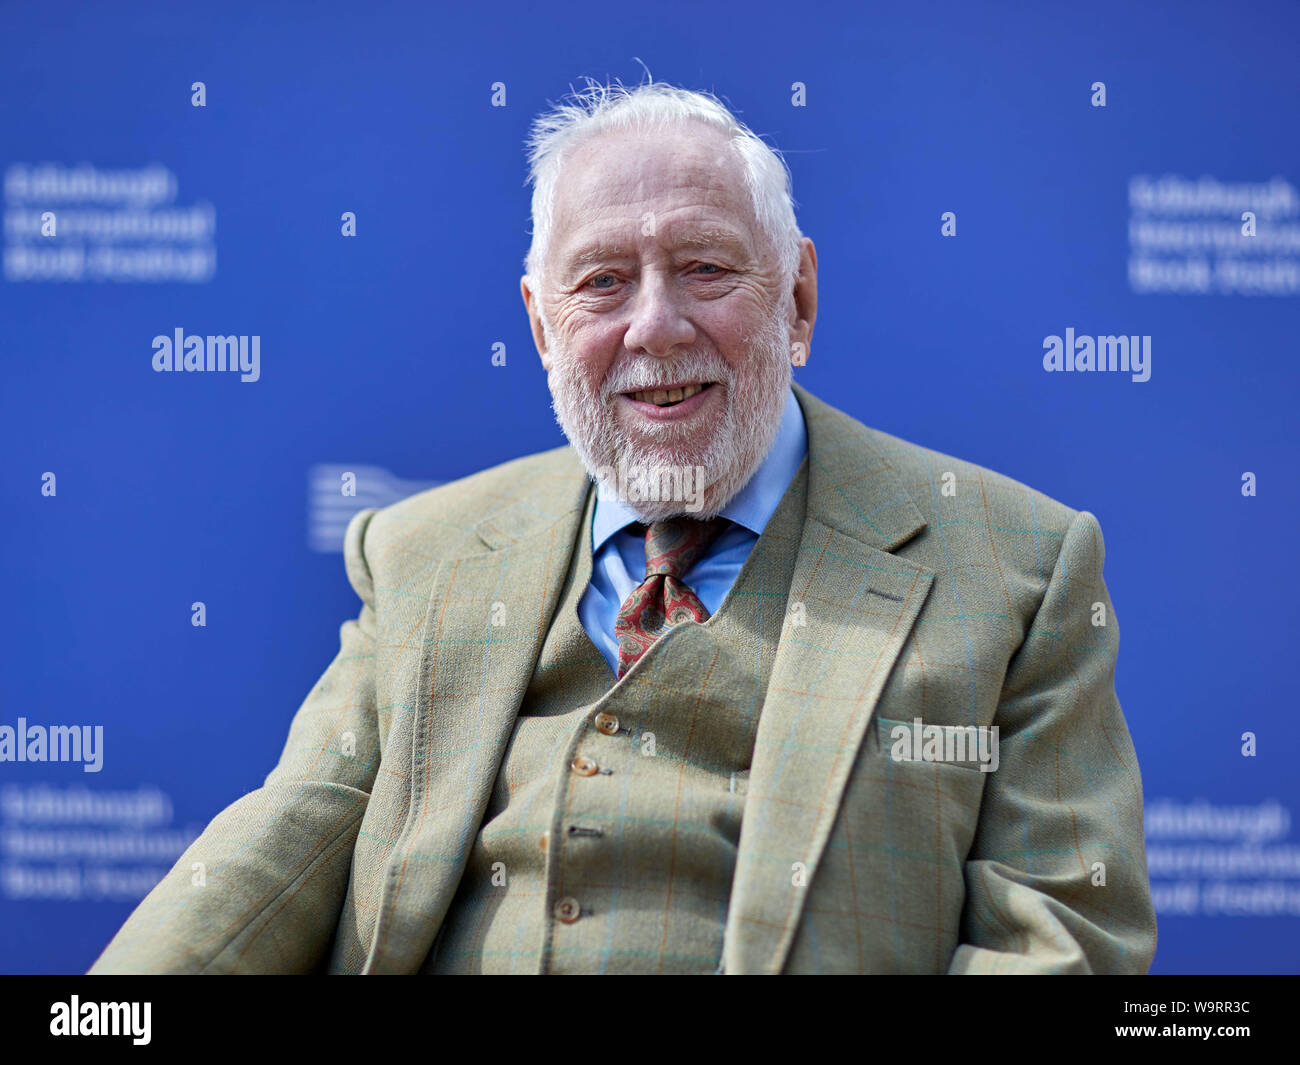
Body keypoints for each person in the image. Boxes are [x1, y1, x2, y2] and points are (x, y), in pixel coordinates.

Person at [89, 79, 1157, 975]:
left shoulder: (1014, 566)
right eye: (602, 282)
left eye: (704, 269)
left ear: (797, 301)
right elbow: (280, 849)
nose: (654, 324)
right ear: (540, 327)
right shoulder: (422, 554)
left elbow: (1059, 940)